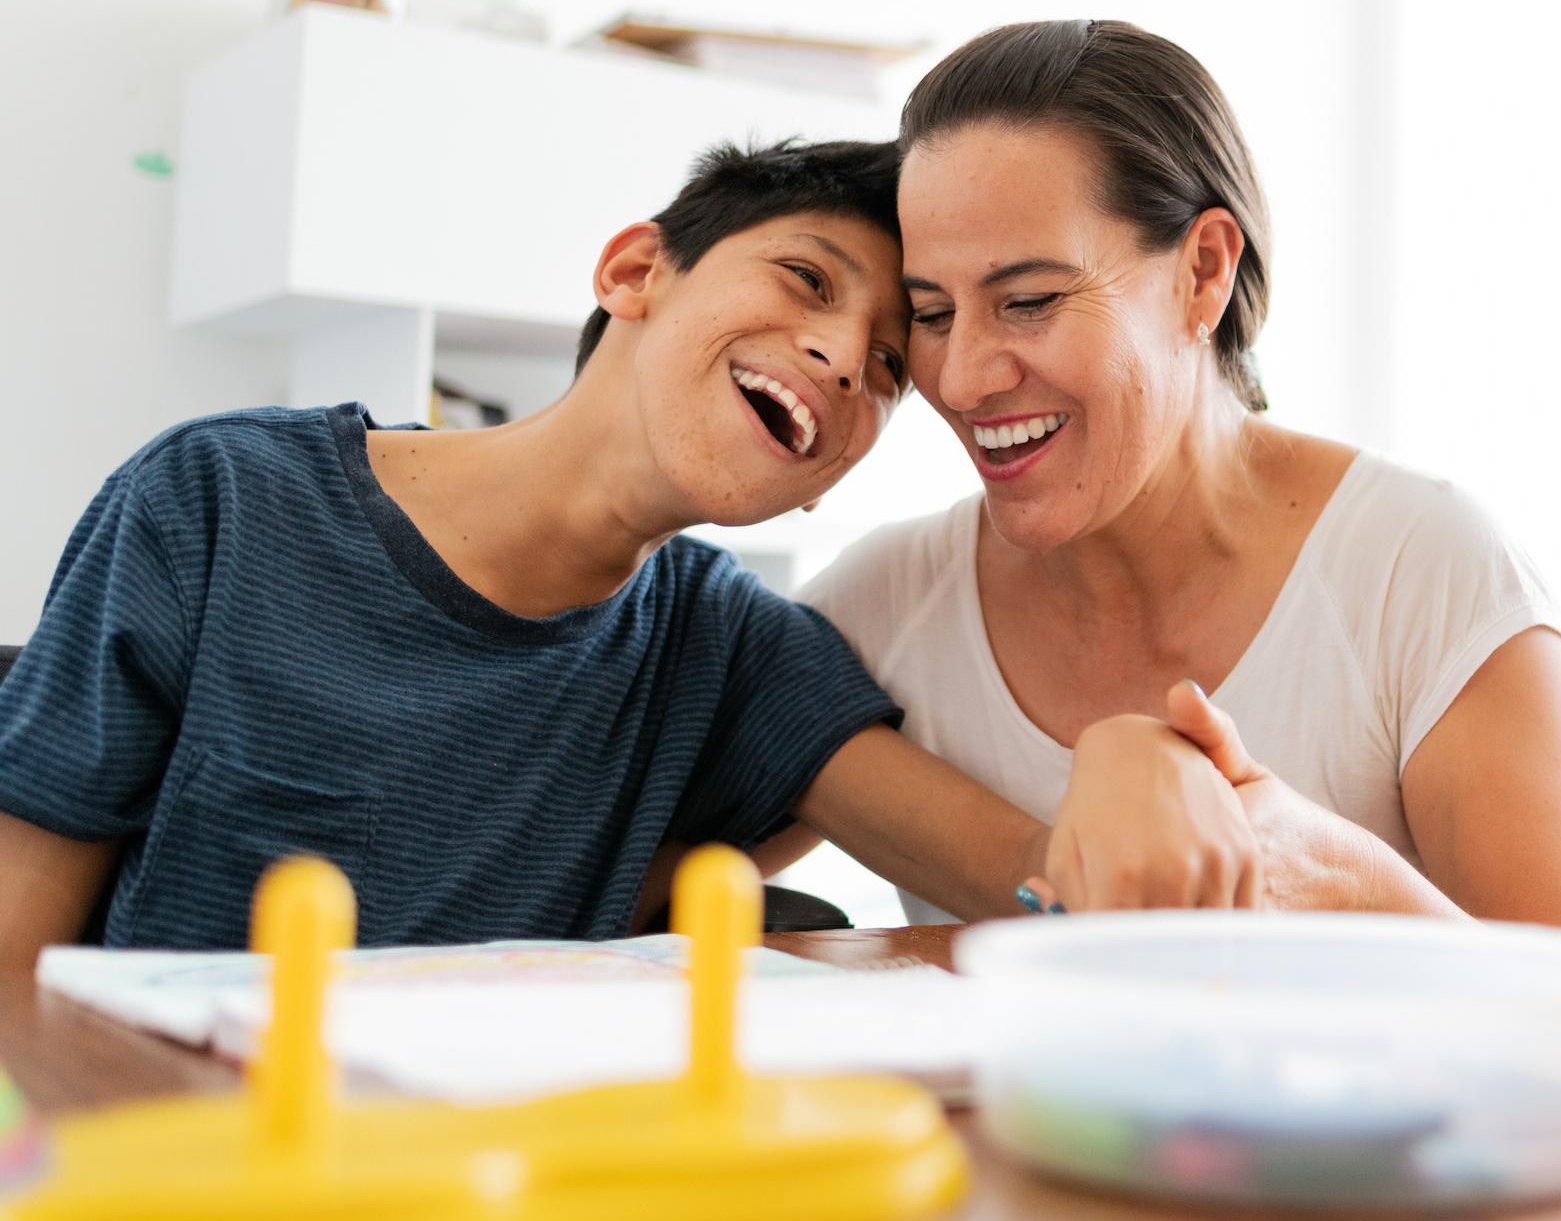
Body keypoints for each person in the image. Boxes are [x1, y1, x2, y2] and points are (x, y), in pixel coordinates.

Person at [0, 139, 1256, 968]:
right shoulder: (220, 502)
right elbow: (13, 963)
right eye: (805, 279)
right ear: (636, 267)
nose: (837, 355)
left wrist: (1137, 752)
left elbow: (1051, 888)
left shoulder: (730, 647)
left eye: (885, 365)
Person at [803, 22, 1561, 930]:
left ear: (1203, 272)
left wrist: (1344, 879)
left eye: (1030, 301)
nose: (960, 378)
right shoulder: (885, 610)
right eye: (931, 312)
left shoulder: (1421, 569)